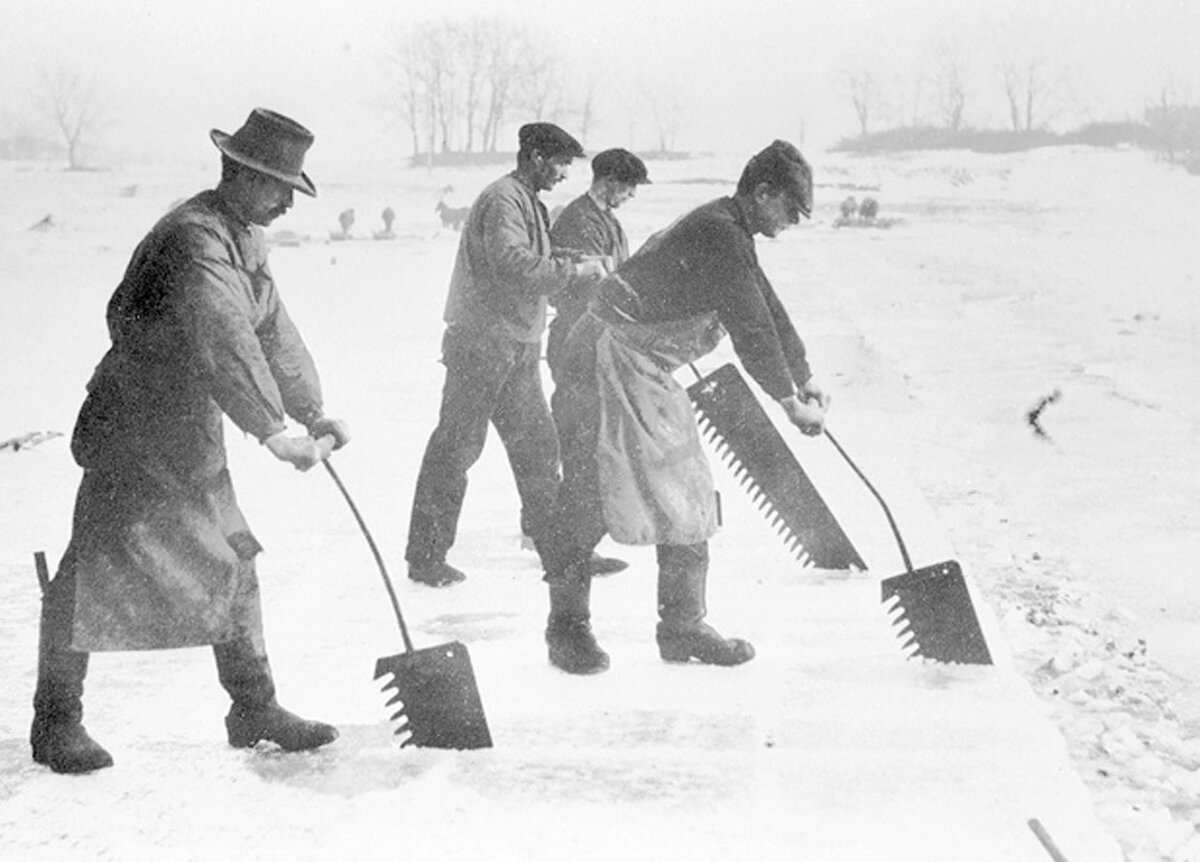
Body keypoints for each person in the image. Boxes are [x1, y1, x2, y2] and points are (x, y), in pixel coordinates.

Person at [31, 108, 351, 774]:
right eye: (276, 184)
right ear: (235, 172)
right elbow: (222, 332)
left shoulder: (244, 236)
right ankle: (55, 721)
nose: (288, 200)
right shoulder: (192, 240)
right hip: (133, 429)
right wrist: (271, 429)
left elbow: (270, 329)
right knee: (88, 574)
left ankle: (253, 707)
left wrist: (311, 408)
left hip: (190, 432)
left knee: (235, 558)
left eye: (293, 186)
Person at [538, 139, 829, 674]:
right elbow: (748, 322)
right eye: (790, 209)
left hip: (641, 369)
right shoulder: (719, 230)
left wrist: (803, 375)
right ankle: (567, 630)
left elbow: (766, 305)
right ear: (763, 194)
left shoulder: (731, 230)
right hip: (601, 361)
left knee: (688, 492)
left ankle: (683, 628)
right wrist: (788, 400)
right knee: (592, 493)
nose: (792, 221)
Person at [404, 122, 622, 587]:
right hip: (483, 344)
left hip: (517, 344)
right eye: (561, 162)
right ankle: (425, 558)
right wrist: (573, 268)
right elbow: (512, 261)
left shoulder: (528, 202)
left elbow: (531, 253)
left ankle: (564, 554)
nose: (565, 173)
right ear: (537, 158)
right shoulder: (504, 198)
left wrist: (572, 258)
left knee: (539, 448)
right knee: (457, 447)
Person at [546, 148, 651, 381]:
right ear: (610, 181)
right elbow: (595, 290)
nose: (632, 194)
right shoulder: (581, 220)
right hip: (579, 341)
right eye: (629, 185)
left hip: (598, 340)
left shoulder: (607, 219)